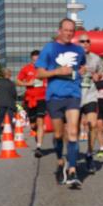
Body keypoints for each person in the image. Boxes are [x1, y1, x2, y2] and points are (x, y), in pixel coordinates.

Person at [34, 18, 86, 188]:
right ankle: (59, 161)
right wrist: (57, 71)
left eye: (71, 31)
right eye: (66, 30)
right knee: (57, 135)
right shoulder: (50, 48)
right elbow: (39, 74)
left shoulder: (79, 50)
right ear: (59, 31)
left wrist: (81, 72)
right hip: (54, 96)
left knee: (72, 131)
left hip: (73, 94)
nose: (69, 33)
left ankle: (72, 170)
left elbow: (82, 68)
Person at [77, 32, 103, 170]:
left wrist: (98, 76)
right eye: (82, 41)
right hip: (75, 95)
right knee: (72, 129)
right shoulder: (72, 58)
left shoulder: (96, 58)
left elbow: (102, 73)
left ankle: (89, 154)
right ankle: (72, 155)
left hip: (90, 95)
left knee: (93, 125)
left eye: (87, 41)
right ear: (78, 43)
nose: (85, 44)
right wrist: (76, 73)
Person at [17, 50, 48, 158]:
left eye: (38, 60)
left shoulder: (45, 68)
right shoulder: (26, 69)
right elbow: (18, 81)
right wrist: (27, 83)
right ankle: (36, 135)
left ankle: (39, 147)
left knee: (40, 121)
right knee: (33, 125)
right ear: (31, 59)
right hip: (30, 99)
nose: (36, 62)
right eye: (34, 60)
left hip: (42, 98)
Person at [0, 69, 18, 141]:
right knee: (9, 121)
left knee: (0, 120)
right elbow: (14, 94)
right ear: (9, 74)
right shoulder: (11, 83)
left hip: (1, 104)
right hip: (10, 104)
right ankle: (10, 135)